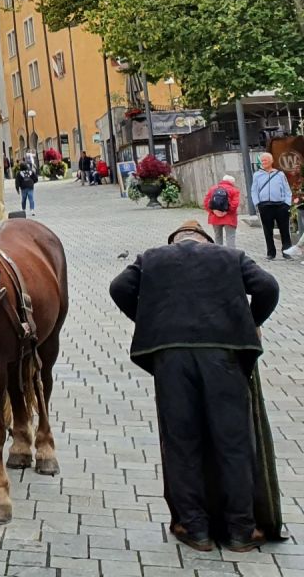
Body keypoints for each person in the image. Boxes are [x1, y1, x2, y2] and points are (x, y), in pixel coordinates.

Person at [109, 221, 279, 552]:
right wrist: (250, 322)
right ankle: (241, 529)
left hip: (171, 358)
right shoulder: (230, 256)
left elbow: (119, 287)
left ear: (175, 241)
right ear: (205, 240)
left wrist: (150, 321)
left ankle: (195, 527)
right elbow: (268, 287)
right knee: (233, 441)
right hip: (223, 356)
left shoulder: (152, 258)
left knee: (181, 441)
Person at [250, 154, 293, 260]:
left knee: (285, 230)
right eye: (262, 161)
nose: (263, 162)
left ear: (271, 161)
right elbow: (254, 190)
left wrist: (287, 203)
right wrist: (257, 203)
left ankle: (287, 252)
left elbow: (287, 189)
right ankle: (271, 253)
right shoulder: (257, 175)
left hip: (280, 205)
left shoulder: (280, 174)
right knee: (267, 231)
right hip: (264, 206)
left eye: (266, 160)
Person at [204, 174, 241, 248]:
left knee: (218, 236)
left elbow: (206, 202)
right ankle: (231, 253)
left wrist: (213, 211)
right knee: (230, 237)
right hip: (229, 218)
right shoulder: (234, 190)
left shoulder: (213, 189)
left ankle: (218, 253)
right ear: (231, 182)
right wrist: (226, 212)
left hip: (215, 217)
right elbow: (234, 204)